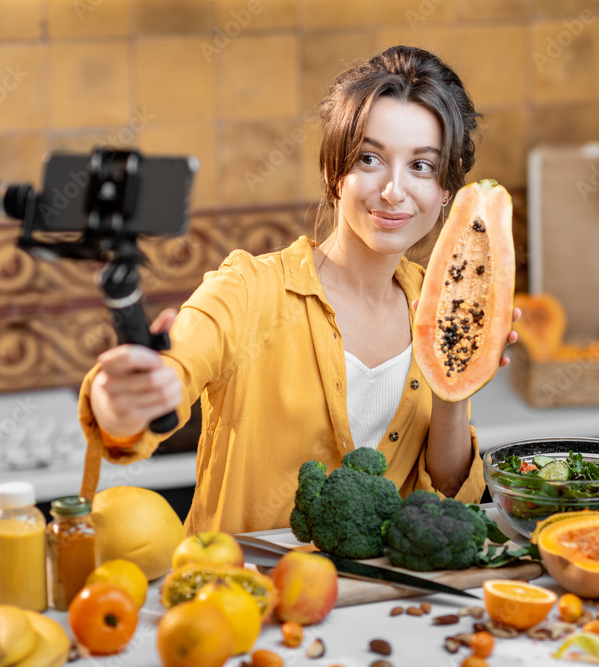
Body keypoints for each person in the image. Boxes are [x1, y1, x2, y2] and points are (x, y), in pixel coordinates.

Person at [78, 45, 519, 535]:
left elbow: (448, 490)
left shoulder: (436, 309)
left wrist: (455, 382)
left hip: (381, 607)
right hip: (241, 601)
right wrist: (120, 401)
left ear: (445, 193)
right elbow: (166, 376)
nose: (394, 190)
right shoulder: (247, 291)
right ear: (334, 173)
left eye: (421, 166)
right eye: (370, 159)